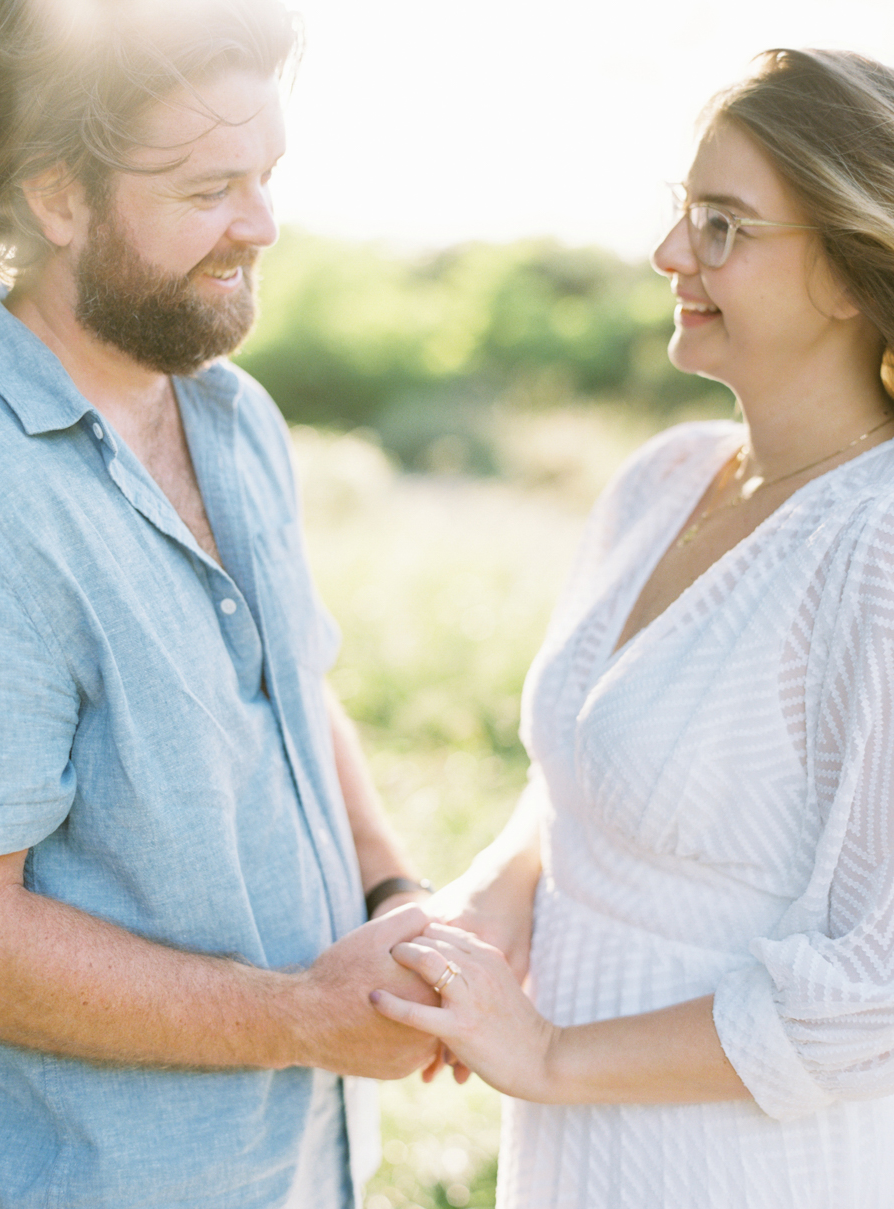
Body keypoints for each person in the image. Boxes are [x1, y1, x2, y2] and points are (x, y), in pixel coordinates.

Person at [373, 48, 894, 1208]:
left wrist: (551, 1056)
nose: (671, 256)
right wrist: (494, 899)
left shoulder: (878, 548)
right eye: (682, 214)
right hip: (576, 1153)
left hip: (751, 1168)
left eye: (725, 227)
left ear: (856, 271)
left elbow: (878, 990)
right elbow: (581, 776)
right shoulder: (665, 478)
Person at [0, 1, 439, 1206]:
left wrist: (398, 892)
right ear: (57, 198)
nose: (262, 225)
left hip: (298, 1169)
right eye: (208, 189)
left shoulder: (236, 416)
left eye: (268, 176)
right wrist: (302, 1017)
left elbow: (295, 693)